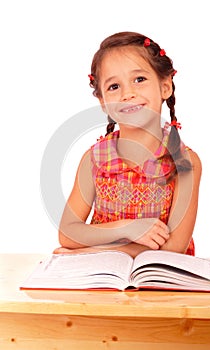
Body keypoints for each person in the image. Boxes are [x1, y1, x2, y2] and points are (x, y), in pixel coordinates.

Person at [53, 31, 202, 258]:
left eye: (139, 80)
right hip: (104, 281)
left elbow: (174, 248)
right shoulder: (93, 160)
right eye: (114, 87)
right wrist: (126, 229)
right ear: (103, 102)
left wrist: (91, 251)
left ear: (165, 87)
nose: (128, 93)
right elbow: (69, 233)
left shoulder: (184, 162)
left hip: (161, 282)